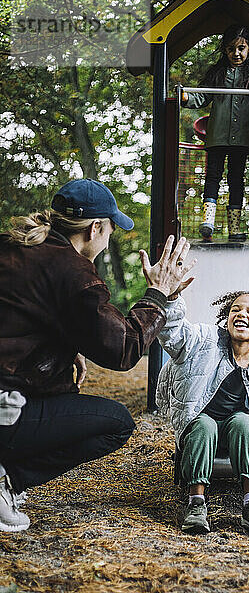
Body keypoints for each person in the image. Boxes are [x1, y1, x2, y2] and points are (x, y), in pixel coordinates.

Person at [0, 178, 195, 533]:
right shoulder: (73, 273)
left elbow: (21, 313)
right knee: (116, 423)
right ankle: (6, 480)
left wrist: (64, 346)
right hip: (4, 406)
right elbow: (123, 350)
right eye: (110, 230)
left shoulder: (14, 248)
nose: (109, 240)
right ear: (95, 229)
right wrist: (158, 294)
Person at [156, 290, 249, 535]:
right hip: (201, 427)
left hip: (235, 434)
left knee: (245, 422)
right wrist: (172, 297)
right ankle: (196, 504)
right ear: (227, 320)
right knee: (204, 424)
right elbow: (174, 335)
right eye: (235, 309)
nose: (241, 314)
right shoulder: (204, 340)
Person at [181, 24, 249, 242]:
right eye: (231, 49)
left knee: (236, 180)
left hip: (242, 137)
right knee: (213, 175)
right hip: (218, 135)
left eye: (241, 48)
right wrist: (186, 98)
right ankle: (208, 222)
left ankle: (234, 228)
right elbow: (202, 97)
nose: (236, 54)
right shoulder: (217, 73)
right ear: (225, 50)